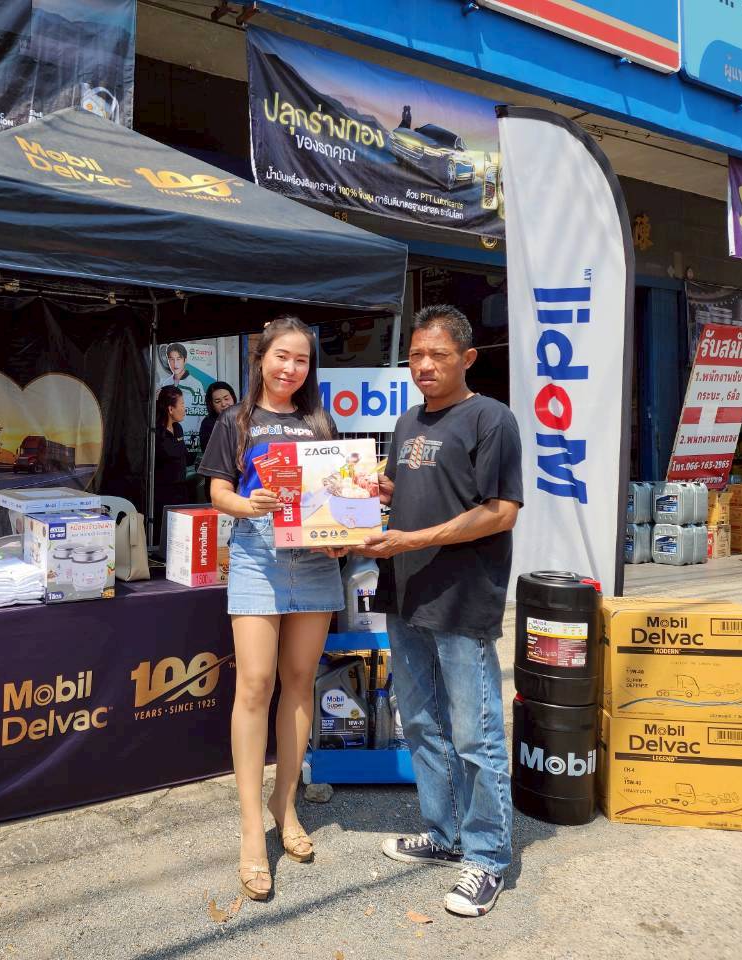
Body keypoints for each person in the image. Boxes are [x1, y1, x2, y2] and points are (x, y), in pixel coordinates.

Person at [359, 304, 522, 918]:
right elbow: (418, 492)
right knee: (423, 723)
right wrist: (373, 492)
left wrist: (413, 539)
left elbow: (500, 511)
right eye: (416, 355)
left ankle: (487, 857)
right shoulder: (407, 423)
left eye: (438, 355)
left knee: (476, 735)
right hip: (406, 593)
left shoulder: (491, 418)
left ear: (467, 358)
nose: (424, 365)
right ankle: (445, 832)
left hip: (461, 597)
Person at [199, 316, 346, 903]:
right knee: (255, 684)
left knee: (300, 681)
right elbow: (218, 493)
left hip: (315, 562)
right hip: (257, 556)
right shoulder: (235, 421)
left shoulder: (321, 423)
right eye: (282, 356)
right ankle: (250, 831)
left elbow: (339, 497)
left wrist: (342, 534)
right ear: (260, 358)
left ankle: (284, 806)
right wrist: (248, 504)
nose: (291, 368)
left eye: (301, 359)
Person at [152, 385, 189, 541]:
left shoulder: (178, 428)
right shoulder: (156, 433)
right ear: (170, 409)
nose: (185, 409)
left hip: (181, 491)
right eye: (182, 404)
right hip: (162, 494)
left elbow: (184, 455)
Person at [197, 380, 238, 457]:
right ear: (212, 405)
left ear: (233, 398)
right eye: (218, 401)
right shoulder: (208, 424)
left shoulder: (243, 418)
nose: (223, 404)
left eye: (226, 399)